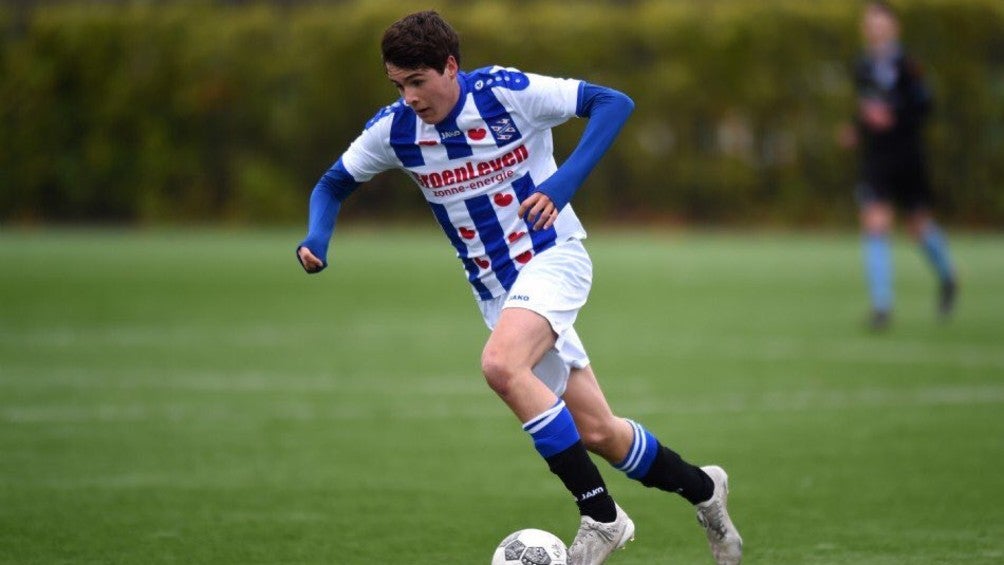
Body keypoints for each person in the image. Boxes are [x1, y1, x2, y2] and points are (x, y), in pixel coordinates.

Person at [295, 11, 742, 565]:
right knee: (599, 432)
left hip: (554, 258)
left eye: (417, 81)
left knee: (502, 366)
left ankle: (602, 517)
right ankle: (705, 490)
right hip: (497, 293)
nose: (409, 96)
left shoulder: (507, 92)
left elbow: (613, 102)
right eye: (398, 84)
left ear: (450, 67)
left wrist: (563, 181)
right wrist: (318, 236)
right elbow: (333, 182)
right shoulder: (396, 131)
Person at [842, 1, 957, 330]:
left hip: (907, 155)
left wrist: (895, 118)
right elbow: (866, 110)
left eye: (880, 22)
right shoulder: (862, 65)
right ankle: (882, 305)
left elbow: (924, 105)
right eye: (869, 22)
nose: (874, 28)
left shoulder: (909, 65)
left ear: (894, 26)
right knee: (874, 223)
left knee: (917, 228)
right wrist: (856, 128)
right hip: (876, 158)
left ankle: (948, 276)